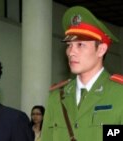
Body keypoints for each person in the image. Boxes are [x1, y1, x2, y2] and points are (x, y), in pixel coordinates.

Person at [41, 6, 123, 141]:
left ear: (101, 49)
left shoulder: (119, 94)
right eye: (69, 45)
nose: (71, 52)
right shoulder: (57, 97)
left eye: (80, 45)